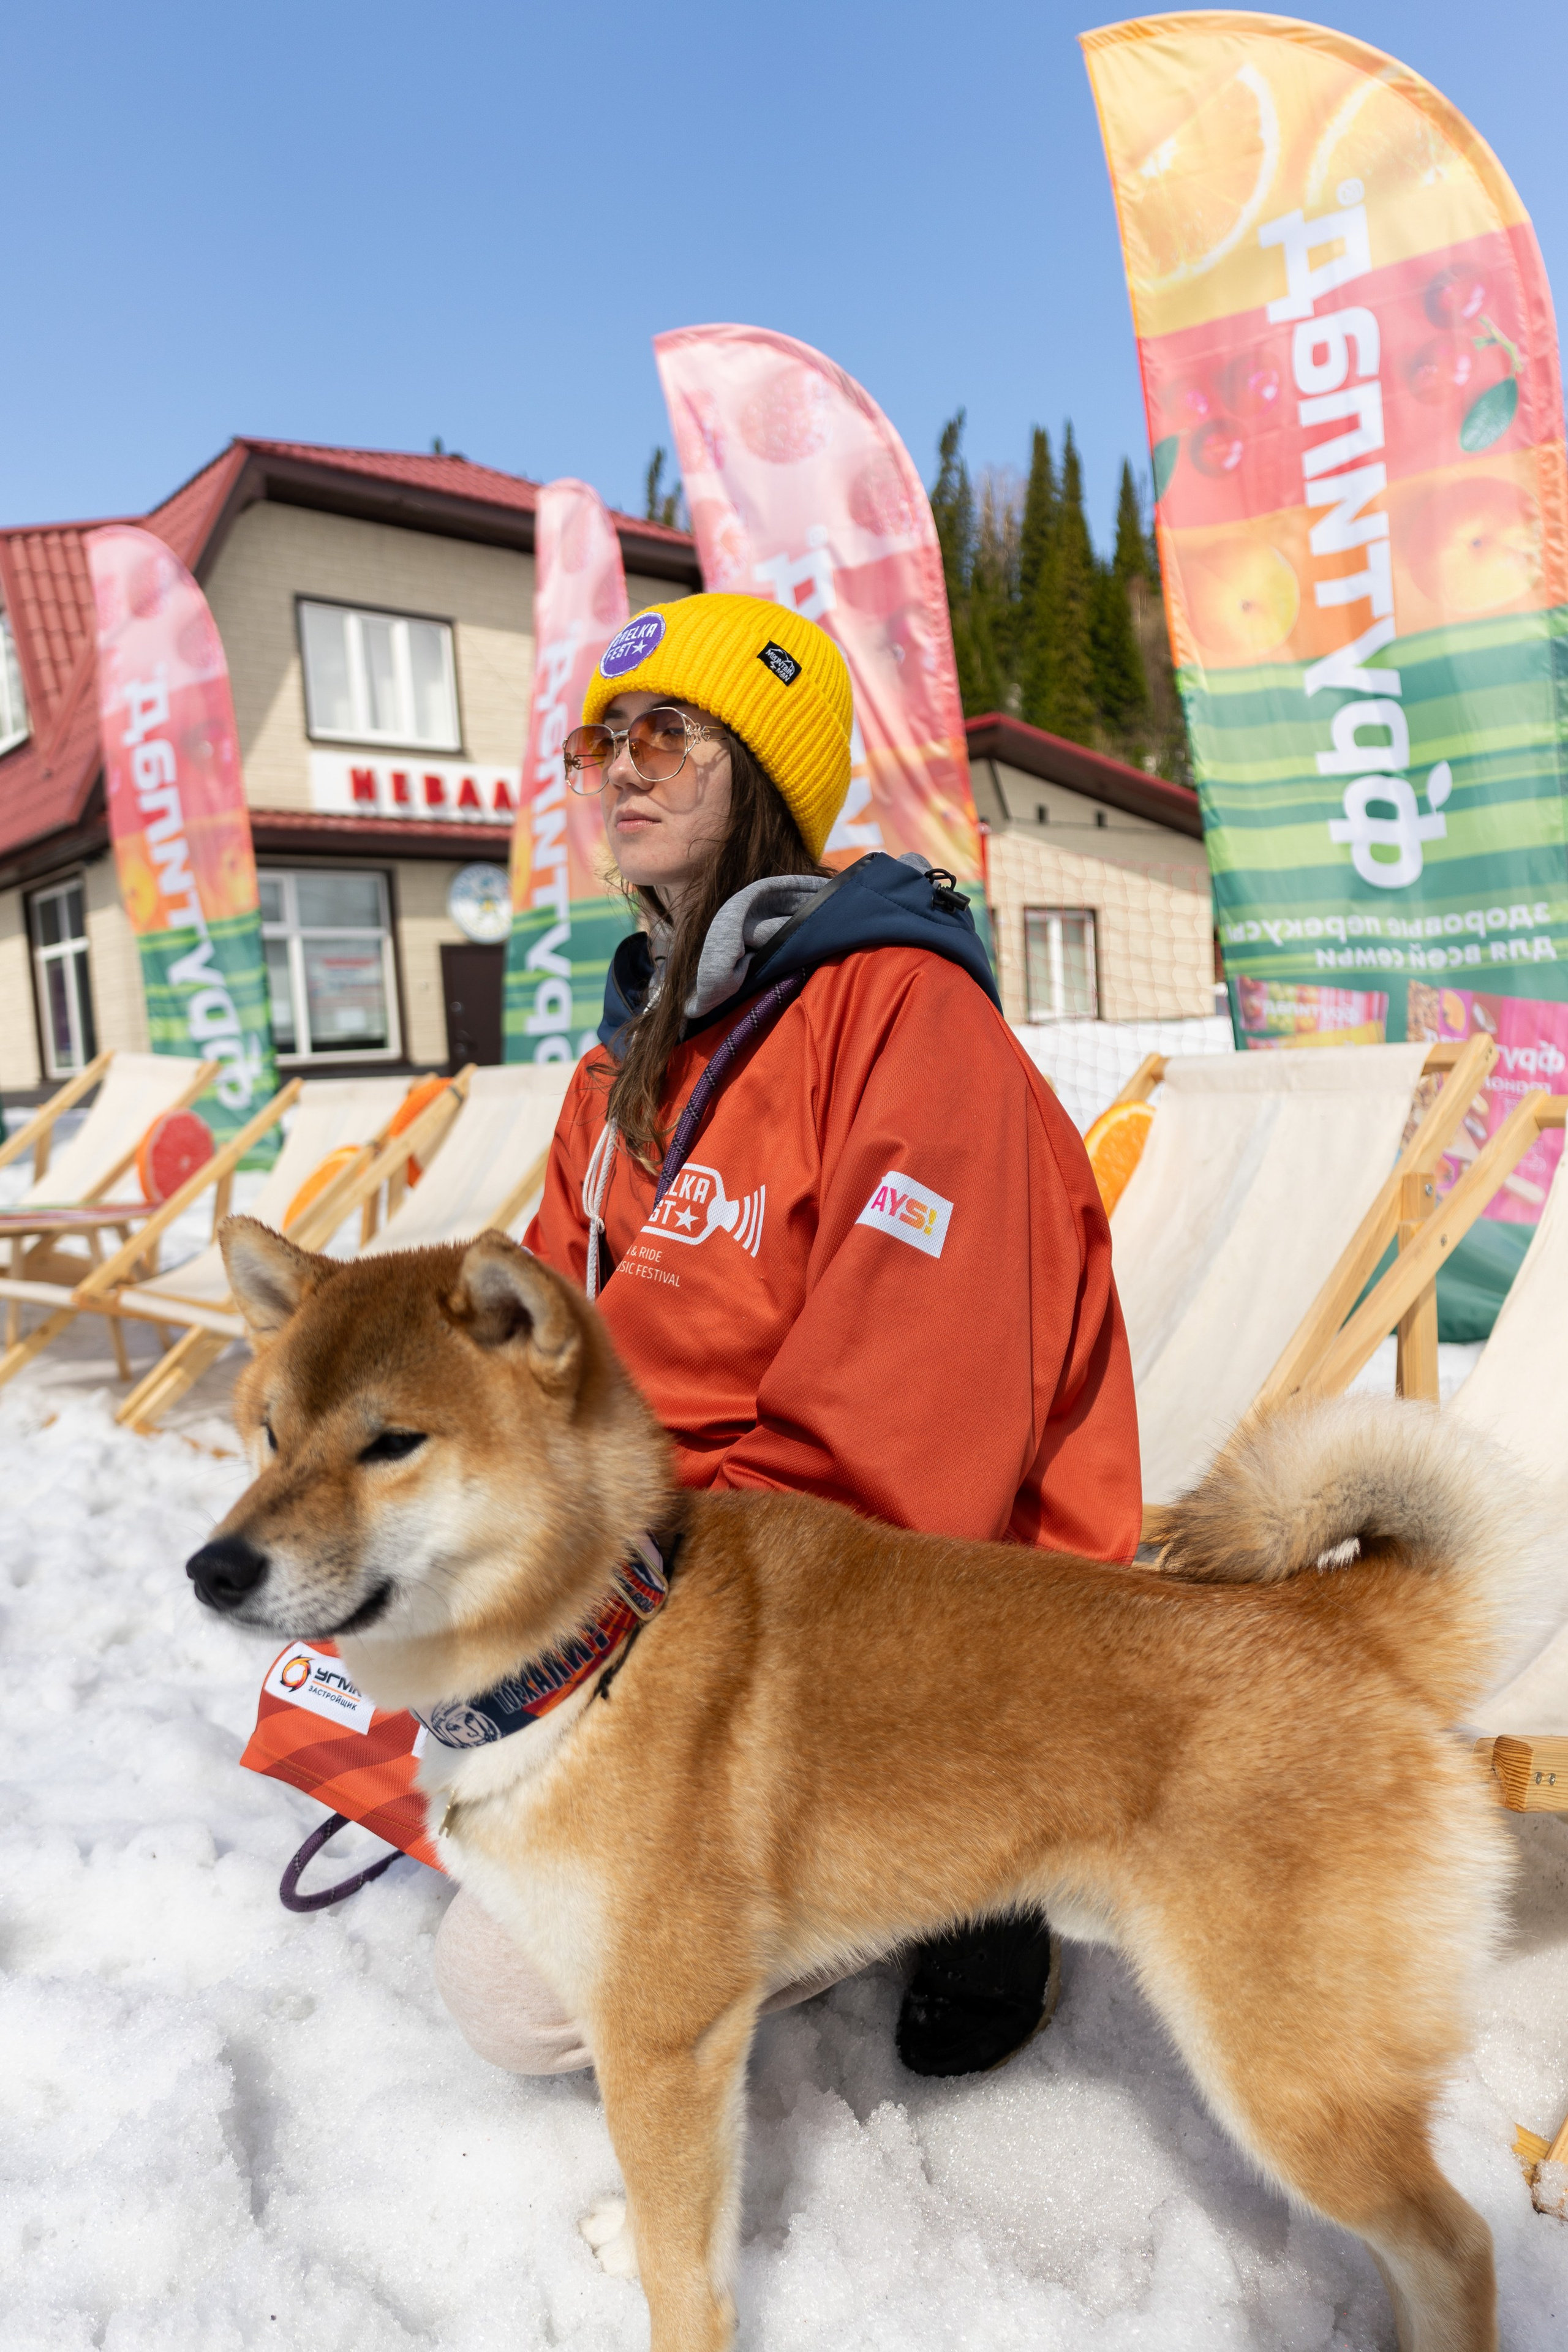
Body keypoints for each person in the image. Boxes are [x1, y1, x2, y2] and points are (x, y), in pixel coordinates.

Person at [434, 590, 1142, 2079]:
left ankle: (976, 1862)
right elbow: (534, 1369)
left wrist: (620, 1657)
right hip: (663, 1576)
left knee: (511, 1996)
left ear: (762, 772)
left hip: (895, 1622)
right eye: (597, 740)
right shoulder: (624, 1065)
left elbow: (904, 1452)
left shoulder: (904, 1021)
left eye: (664, 735)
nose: (618, 768)